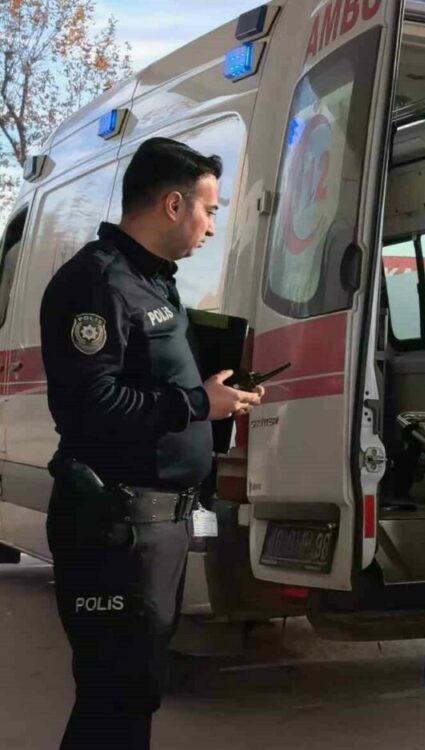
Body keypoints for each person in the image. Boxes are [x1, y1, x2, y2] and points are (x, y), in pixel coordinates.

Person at [40, 137, 263, 749]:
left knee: (133, 695)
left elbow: (152, 383)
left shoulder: (153, 283)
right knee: (114, 698)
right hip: (116, 528)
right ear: (173, 204)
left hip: (154, 527)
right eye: (209, 210)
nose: (212, 227)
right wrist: (198, 404)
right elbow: (90, 405)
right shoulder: (98, 283)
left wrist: (216, 392)